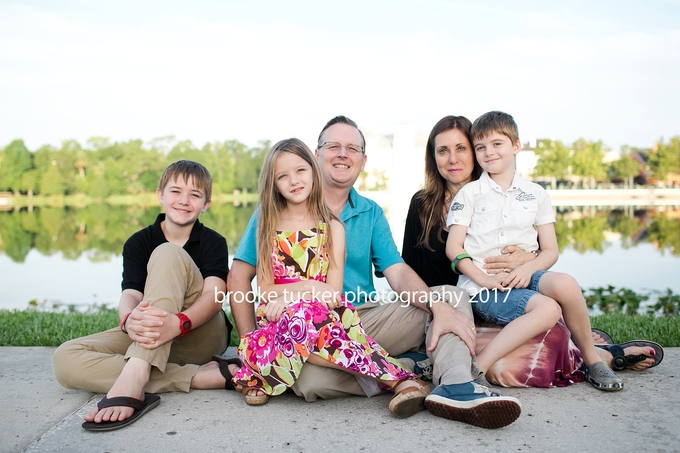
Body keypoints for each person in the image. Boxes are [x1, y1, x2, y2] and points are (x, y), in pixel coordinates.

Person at [227, 116, 522, 429]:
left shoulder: (369, 212)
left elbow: (396, 271)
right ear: (316, 155)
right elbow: (239, 278)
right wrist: (252, 347)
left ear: (363, 161)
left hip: (364, 319)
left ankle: (456, 386)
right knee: (309, 381)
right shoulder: (271, 214)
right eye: (333, 146)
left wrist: (434, 305)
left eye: (352, 148)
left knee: (448, 296)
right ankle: (412, 369)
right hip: (303, 330)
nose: (343, 153)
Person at [222, 138, 427, 417]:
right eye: (282, 176)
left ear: (313, 171)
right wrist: (307, 286)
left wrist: (293, 296)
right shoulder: (267, 225)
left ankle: (259, 374)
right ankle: (394, 376)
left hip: (325, 315)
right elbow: (268, 290)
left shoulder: (332, 227)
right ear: (273, 184)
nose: (293, 181)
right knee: (290, 323)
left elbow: (331, 292)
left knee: (300, 320)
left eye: (300, 171)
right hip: (277, 315)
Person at [445, 111, 625, 390]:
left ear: (515, 146)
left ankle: (593, 360)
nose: (488, 152)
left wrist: (528, 268)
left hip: (525, 275)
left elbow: (550, 250)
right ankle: (477, 367)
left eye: (497, 144)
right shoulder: (469, 194)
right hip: (484, 288)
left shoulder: (536, 194)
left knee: (566, 283)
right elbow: (453, 248)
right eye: (480, 147)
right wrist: (484, 279)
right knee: (548, 309)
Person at [52, 160, 232, 431]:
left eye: (195, 195)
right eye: (175, 192)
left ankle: (135, 377)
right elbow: (131, 293)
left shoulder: (213, 241)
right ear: (160, 195)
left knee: (168, 252)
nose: (184, 201)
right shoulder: (137, 242)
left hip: (199, 333)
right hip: (155, 337)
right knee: (65, 359)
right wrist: (128, 319)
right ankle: (196, 377)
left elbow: (215, 295)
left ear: (206, 204)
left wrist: (180, 322)